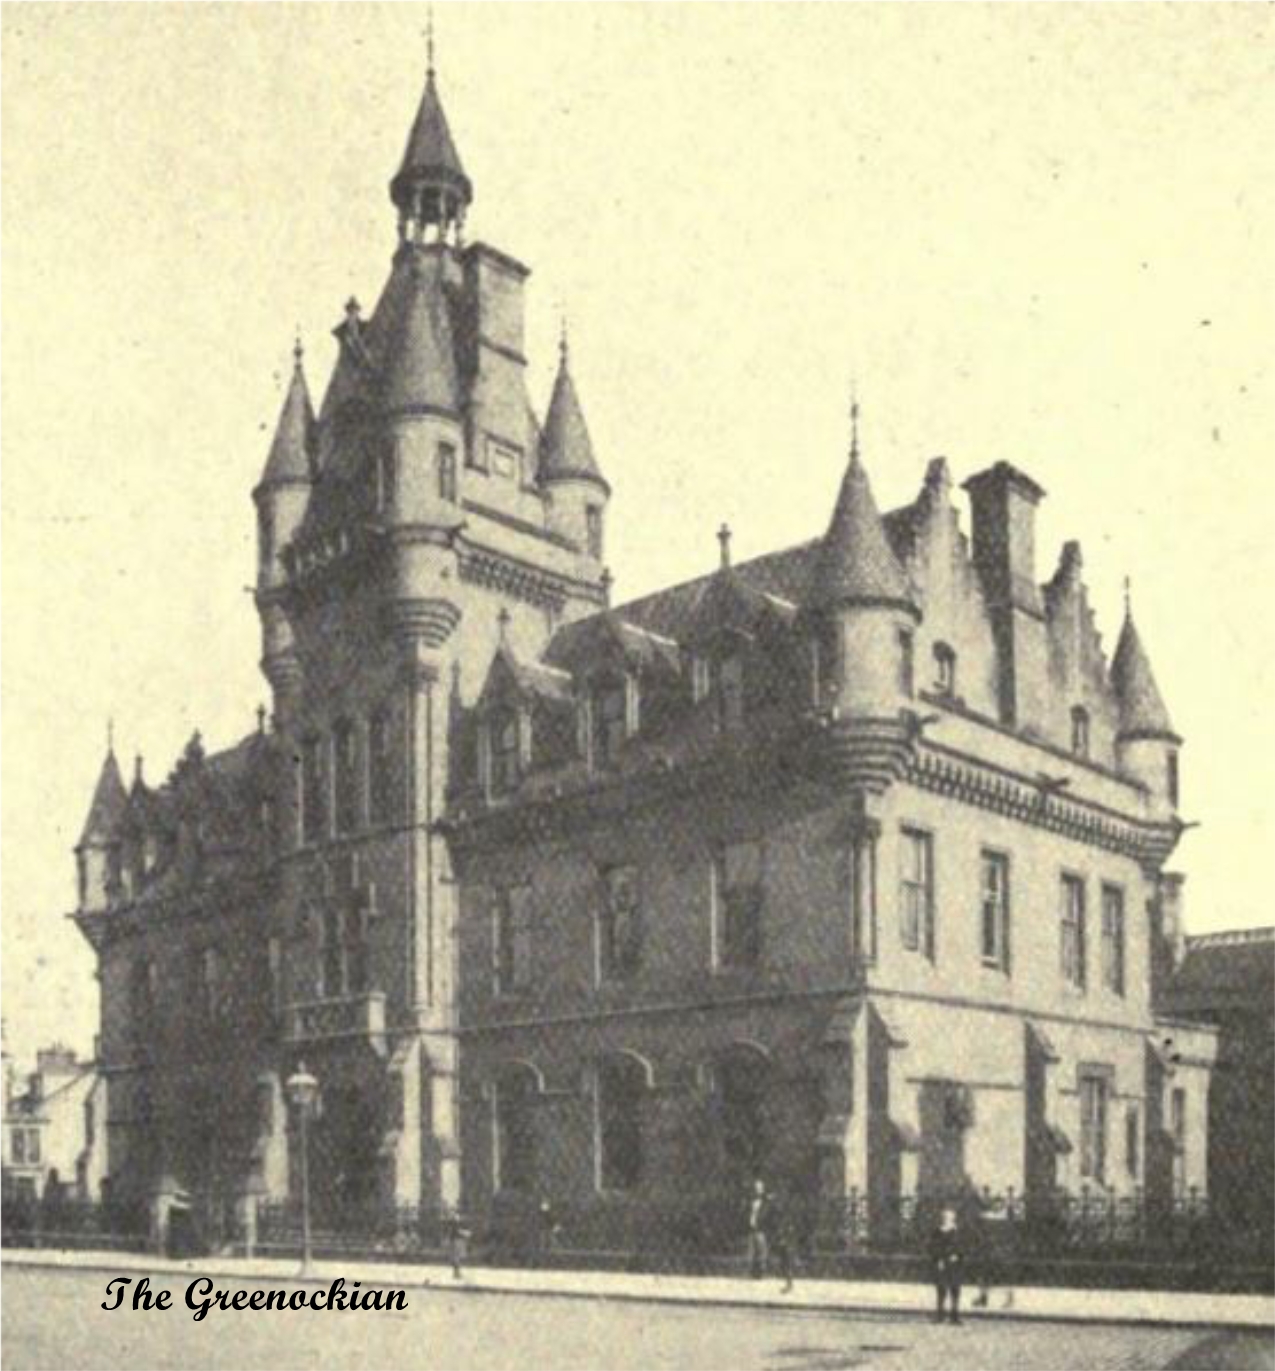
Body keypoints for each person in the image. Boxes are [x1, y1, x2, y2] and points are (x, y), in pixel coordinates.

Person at [929, 1206, 965, 1325]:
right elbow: (934, 1247)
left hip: (955, 1263)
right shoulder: (937, 1232)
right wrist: (939, 1259)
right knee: (941, 1289)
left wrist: (957, 1255)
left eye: (950, 1217)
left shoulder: (958, 1231)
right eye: (945, 1217)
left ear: (953, 1218)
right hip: (942, 1263)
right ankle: (940, 1314)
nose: (947, 1219)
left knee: (955, 1289)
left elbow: (962, 1246)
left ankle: (954, 1315)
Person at [746, 1178, 770, 1279]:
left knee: (762, 1252)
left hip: (761, 1229)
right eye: (756, 1188)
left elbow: (766, 1215)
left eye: (759, 1188)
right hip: (751, 1229)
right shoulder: (750, 1201)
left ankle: (762, 1274)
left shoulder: (766, 1201)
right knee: (751, 1252)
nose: (757, 1190)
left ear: (763, 1189)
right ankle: (751, 1273)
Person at [443, 1207, 471, 1280]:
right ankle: (456, 1273)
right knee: (456, 1258)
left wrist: (465, 1232)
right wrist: (465, 1233)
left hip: (459, 1240)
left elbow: (459, 1230)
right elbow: (455, 1231)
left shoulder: (457, 1221)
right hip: (455, 1241)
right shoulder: (452, 1222)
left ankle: (457, 1273)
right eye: (452, 1213)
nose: (454, 1215)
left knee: (458, 1258)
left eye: (454, 1213)